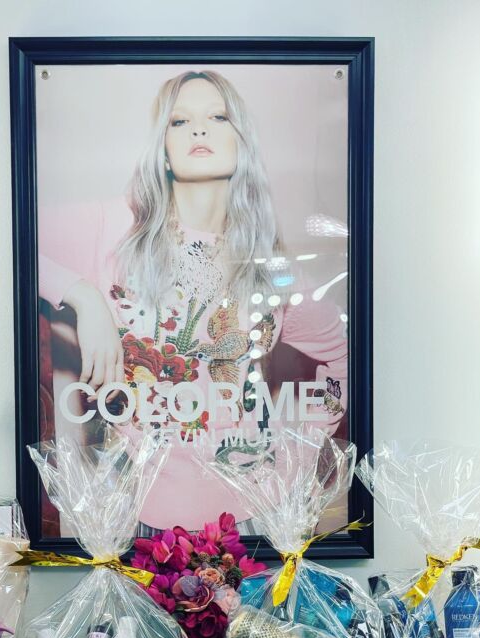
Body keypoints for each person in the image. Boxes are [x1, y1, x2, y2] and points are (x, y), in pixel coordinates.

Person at [39, 70, 347, 533]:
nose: (198, 130)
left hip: (252, 518)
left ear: (242, 142)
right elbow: (11, 240)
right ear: (162, 147)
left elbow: (344, 354)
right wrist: (84, 297)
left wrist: (300, 451)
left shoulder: (268, 265)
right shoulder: (112, 226)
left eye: (218, 117)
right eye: (179, 121)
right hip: (137, 518)